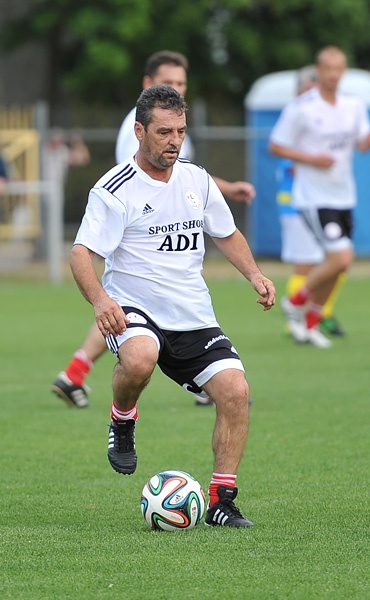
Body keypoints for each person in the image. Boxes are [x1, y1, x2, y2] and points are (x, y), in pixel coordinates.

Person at [71, 85, 275, 526]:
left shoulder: (196, 179)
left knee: (236, 393)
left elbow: (226, 232)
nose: (174, 141)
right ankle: (122, 419)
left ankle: (222, 500)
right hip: (134, 305)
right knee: (140, 357)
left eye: (180, 131)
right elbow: (81, 252)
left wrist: (255, 274)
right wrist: (101, 299)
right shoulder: (114, 188)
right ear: (140, 131)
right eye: (164, 132)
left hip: (192, 313)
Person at [52, 50, 256, 408]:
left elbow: (185, 176)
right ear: (148, 86)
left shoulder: (173, 123)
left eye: (181, 83)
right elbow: (140, 181)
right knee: (130, 320)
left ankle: (76, 371)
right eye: (168, 83)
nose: (176, 89)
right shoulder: (138, 131)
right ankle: (92, 380)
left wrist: (225, 189)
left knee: (137, 325)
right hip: (136, 240)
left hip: (176, 281)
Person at [271, 46, 370, 349]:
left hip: (345, 196)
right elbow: (276, 146)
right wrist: (310, 159)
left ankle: (311, 323)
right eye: (327, 68)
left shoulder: (353, 106)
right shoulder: (302, 107)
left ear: (344, 71)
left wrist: (369, 142)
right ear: (318, 70)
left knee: (340, 265)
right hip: (313, 198)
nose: (333, 74)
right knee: (341, 257)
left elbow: (362, 142)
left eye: (338, 68)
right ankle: (295, 301)